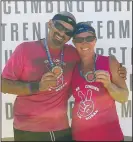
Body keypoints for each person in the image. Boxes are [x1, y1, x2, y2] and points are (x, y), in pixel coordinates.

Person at [1, 12, 127, 141]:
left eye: (67, 32)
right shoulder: (25, 49)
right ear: (50, 24)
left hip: (61, 130)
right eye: (59, 26)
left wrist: (119, 70)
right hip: (29, 129)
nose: (62, 33)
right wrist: (37, 86)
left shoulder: (73, 54)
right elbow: (3, 85)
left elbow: (92, 60)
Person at [71, 22, 129, 141]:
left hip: (110, 137)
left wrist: (109, 84)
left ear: (95, 40)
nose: (84, 43)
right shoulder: (71, 67)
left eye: (89, 38)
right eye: (79, 39)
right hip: (80, 137)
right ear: (74, 42)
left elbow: (123, 97)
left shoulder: (109, 61)